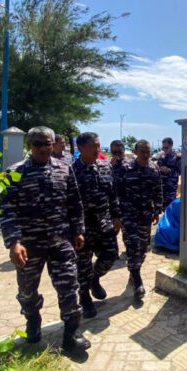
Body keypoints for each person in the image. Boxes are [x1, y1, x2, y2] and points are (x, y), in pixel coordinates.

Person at [0, 126, 90, 353]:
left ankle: (71, 334)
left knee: (70, 287)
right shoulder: (15, 172)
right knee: (27, 291)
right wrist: (14, 242)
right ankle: (32, 319)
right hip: (30, 245)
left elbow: (74, 203)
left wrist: (78, 230)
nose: (42, 148)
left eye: (46, 143)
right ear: (29, 146)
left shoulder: (64, 168)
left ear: (52, 144)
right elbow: (8, 210)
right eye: (37, 144)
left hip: (61, 241)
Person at [73, 132, 121, 316]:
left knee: (110, 256)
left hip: (104, 223)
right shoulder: (72, 170)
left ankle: (94, 279)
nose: (97, 150)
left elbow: (112, 194)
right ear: (81, 148)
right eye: (93, 146)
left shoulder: (105, 166)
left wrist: (116, 217)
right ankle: (84, 297)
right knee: (83, 264)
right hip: (83, 227)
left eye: (98, 145)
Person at [116, 140, 162, 299]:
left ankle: (134, 271)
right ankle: (137, 281)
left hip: (145, 215)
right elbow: (116, 191)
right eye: (142, 151)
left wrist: (157, 209)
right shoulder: (125, 168)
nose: (145, 154)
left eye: (148, 151)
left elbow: (158, 190)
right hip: (129, 214)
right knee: (132, 244)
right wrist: (117, 214)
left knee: (143, 248)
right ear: (135, 152)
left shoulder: (153, 168)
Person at [156, 137, 181, 209]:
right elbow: (157, 168)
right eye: (163, 148)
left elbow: (179, 171)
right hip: (161, 187)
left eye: (166, 148)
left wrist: (169, 171)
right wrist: (159, 169)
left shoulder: (177, 157)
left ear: (171, 146)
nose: (164, 149)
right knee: (161, 208)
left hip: (171, 188)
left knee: (170, 208)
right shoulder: (161, 156)